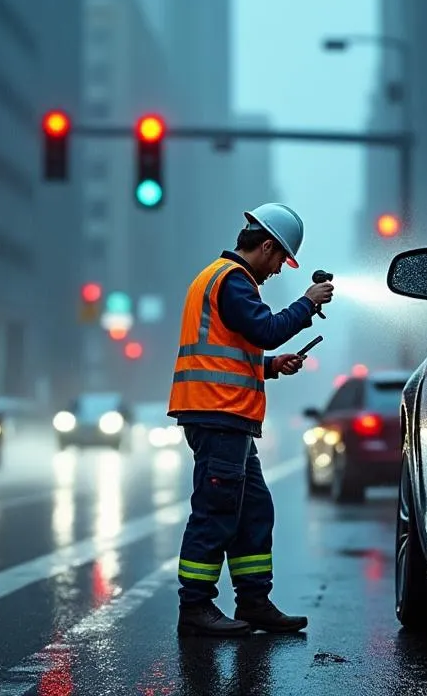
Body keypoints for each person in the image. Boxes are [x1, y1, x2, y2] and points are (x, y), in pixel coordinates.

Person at [167, 202, 335, 637]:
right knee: (216, 510)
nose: (279, 269)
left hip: (225, 415)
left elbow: (229, 352)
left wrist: (270, 366)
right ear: (266, 246)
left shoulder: (220, 280)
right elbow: (265, 330)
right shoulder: (233, 282)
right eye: (281, 258)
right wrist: (307, 302)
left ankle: (254, 602)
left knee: (253, 508)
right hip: (218, 415)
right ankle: (196, 607)